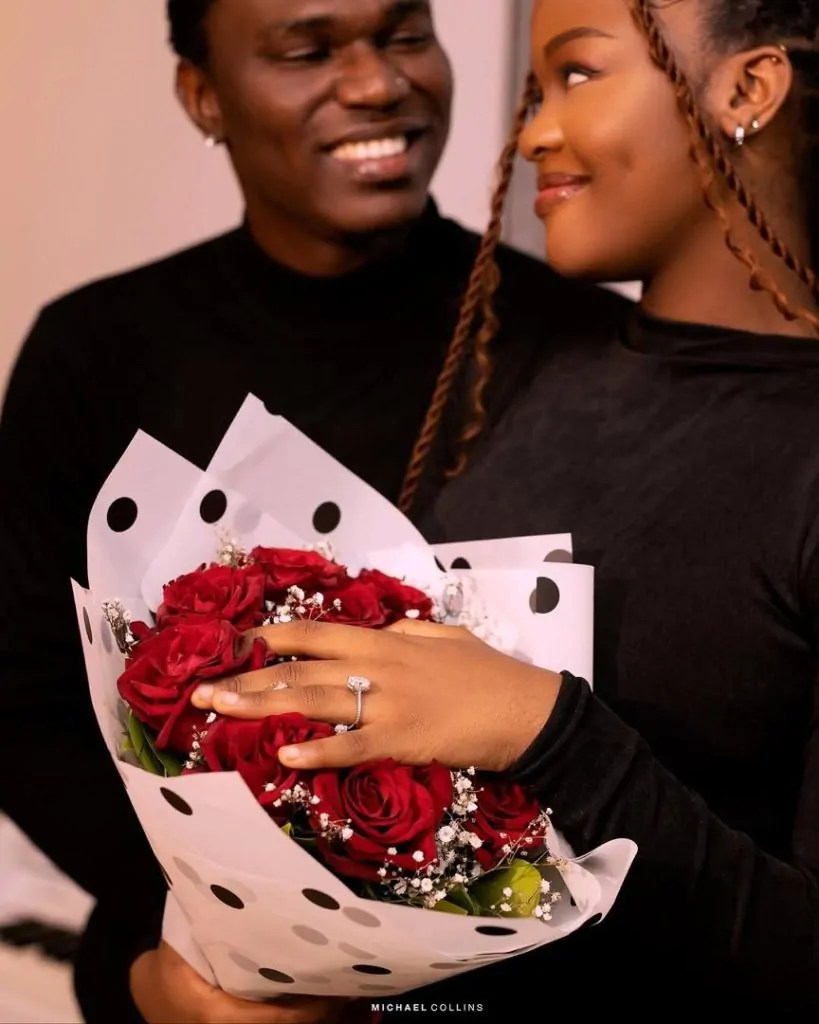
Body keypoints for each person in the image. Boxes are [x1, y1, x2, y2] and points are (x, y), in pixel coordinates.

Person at [0, 0, 631, 1022]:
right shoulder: (97, 352)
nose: (378, 84)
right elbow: (20, 703)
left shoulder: (588, 346)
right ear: (204, 95)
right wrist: (206, 924)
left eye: (405, 34)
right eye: (307, 49)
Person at [195, 0, 819, 1018]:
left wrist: (545, 731)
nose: (531, 134)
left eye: (577, 75)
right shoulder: (521, 372)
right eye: (535, 91)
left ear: (746, 90)